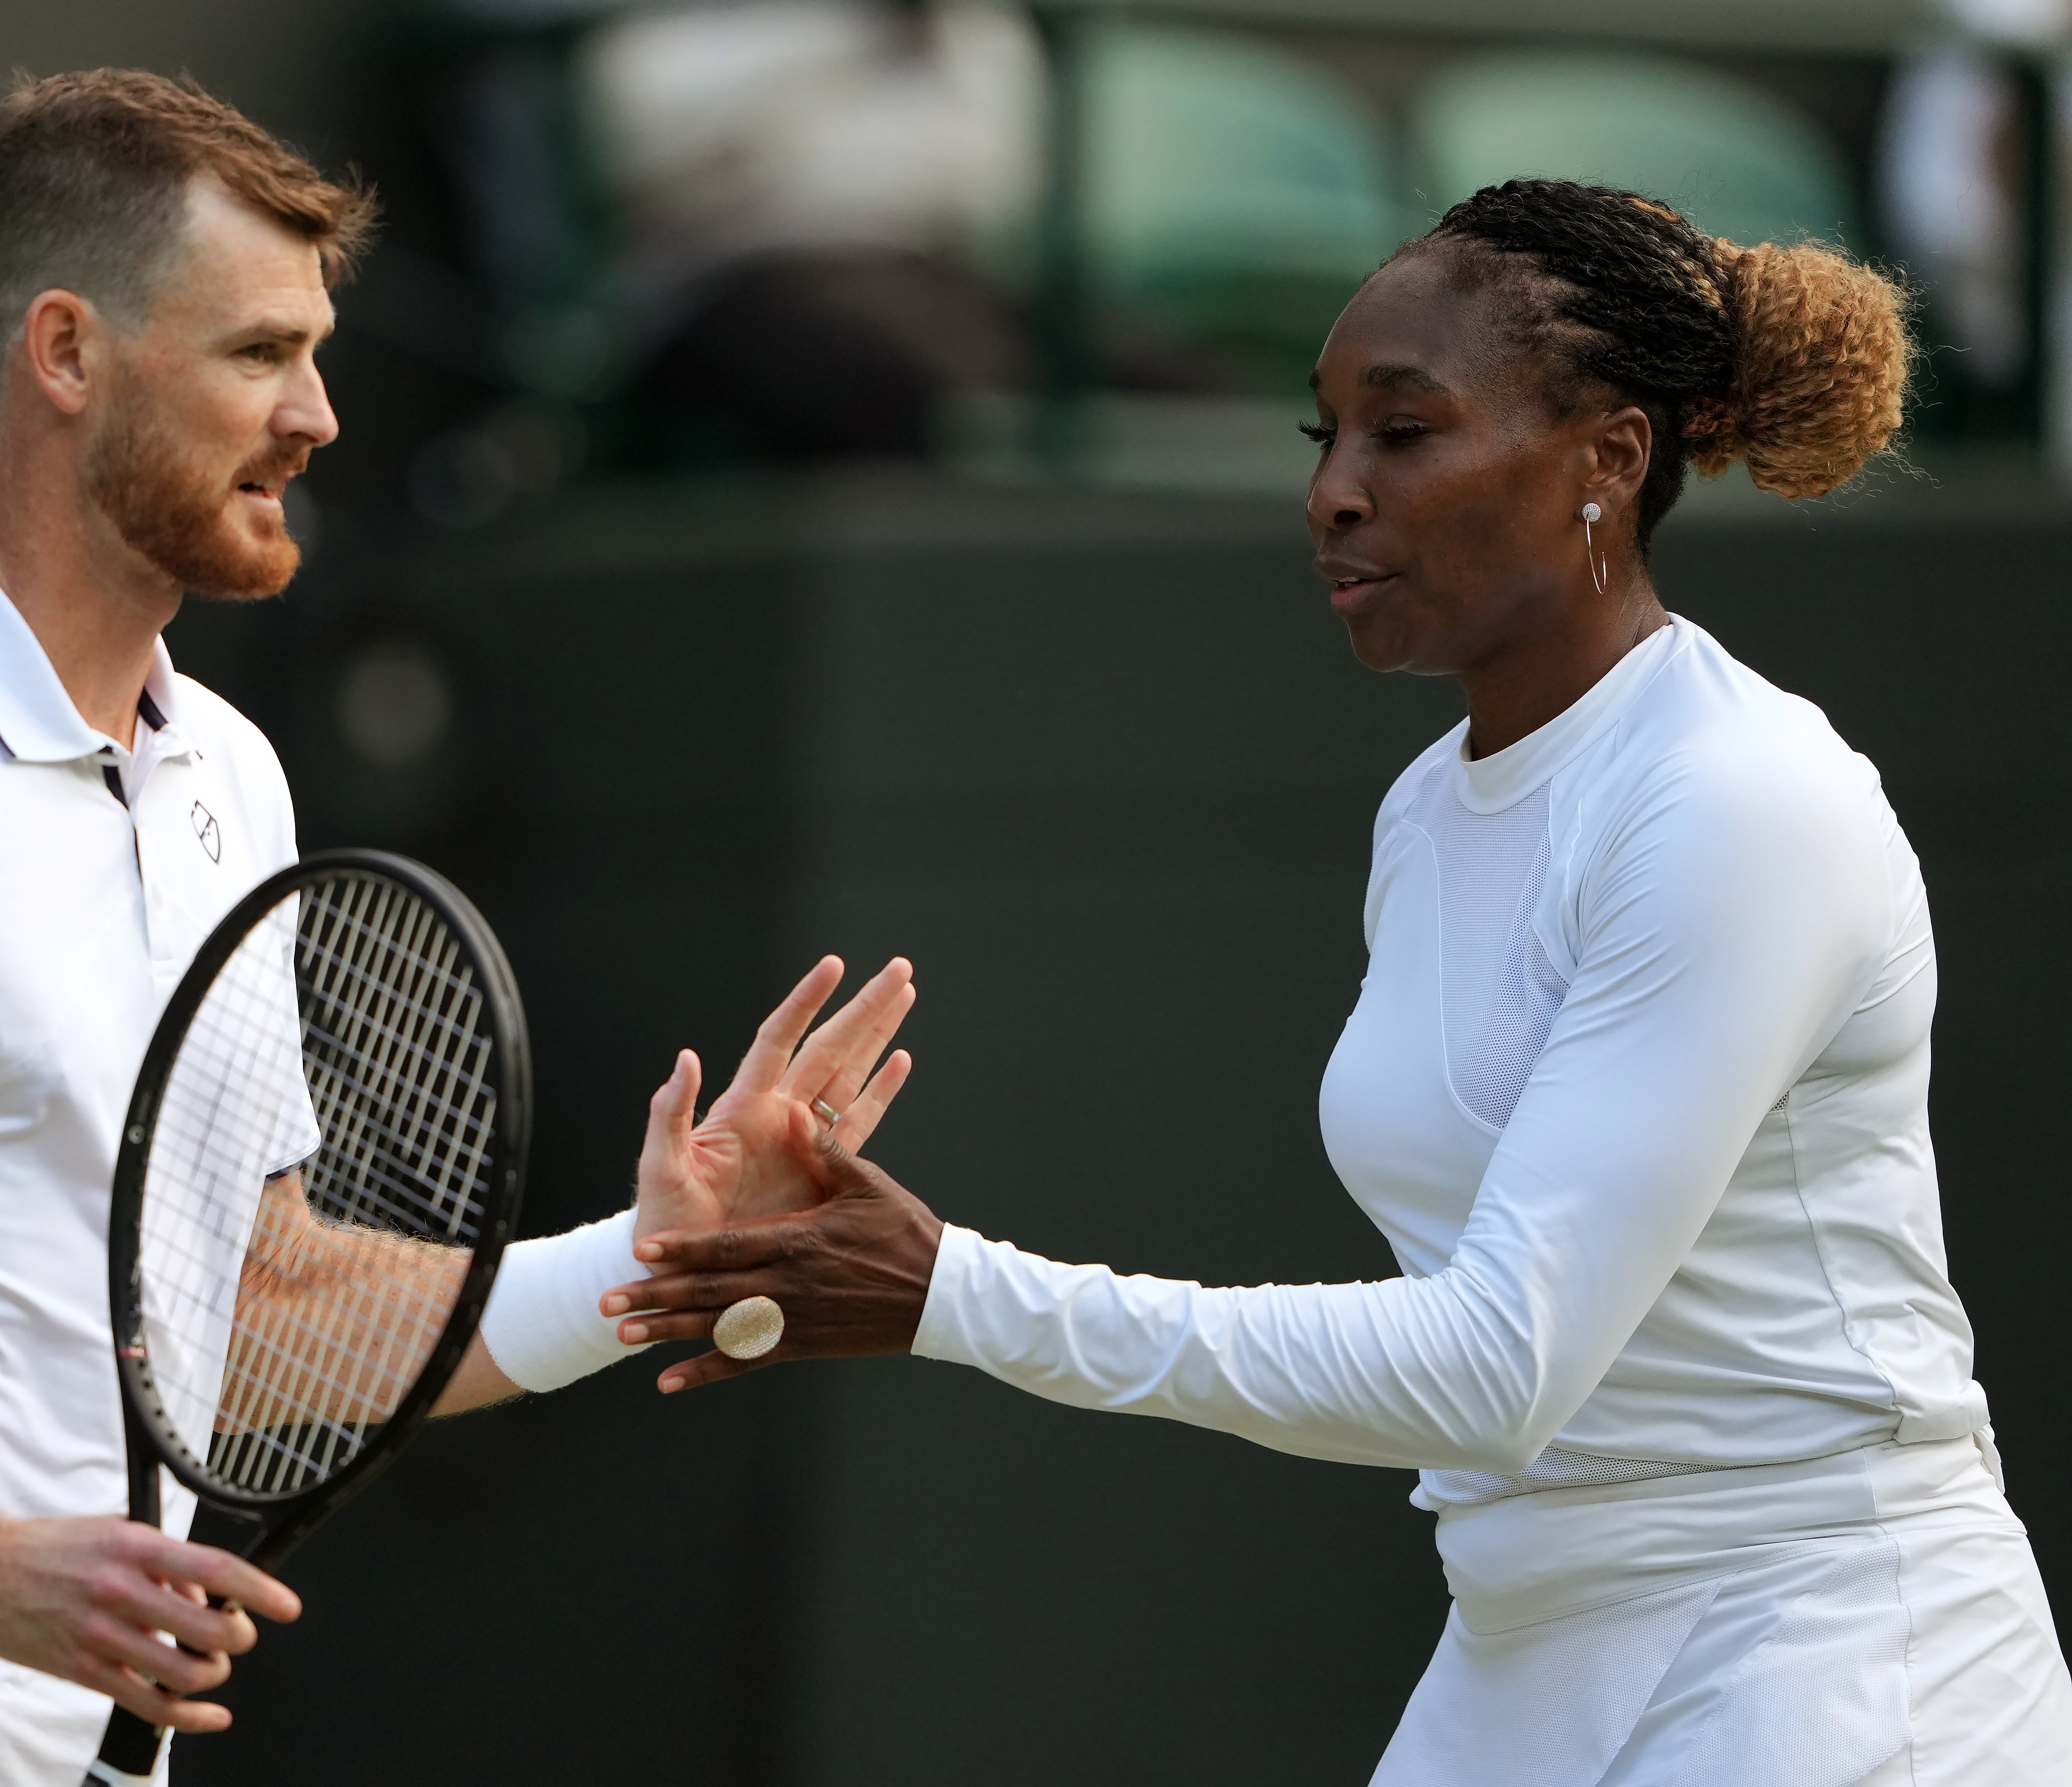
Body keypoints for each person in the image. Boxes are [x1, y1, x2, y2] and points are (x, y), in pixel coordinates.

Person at [0, 70, 910, 1786]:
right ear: (66, 353)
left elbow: (254, 1302)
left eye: (318, 352)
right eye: (256, 355)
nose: (320, 415)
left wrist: (641, 1261)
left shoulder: (232, 778)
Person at [609, 179, 2072, 1782]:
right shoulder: (1429, 808)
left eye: (1405, 431)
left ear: (1610, 458)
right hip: (1522, 1643)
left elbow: (1498, 1367)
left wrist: (958, 1291)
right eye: (1323, 439)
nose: (1334, 495)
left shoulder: (1738, 799)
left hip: (1840, 1656)